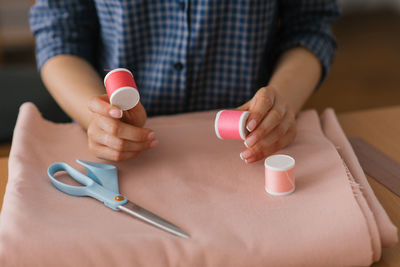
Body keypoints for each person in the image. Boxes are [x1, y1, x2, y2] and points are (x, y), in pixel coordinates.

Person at [29, 1, 340, 163]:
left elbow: (310, 26)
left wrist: (282, 101)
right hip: (121, 160)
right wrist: (96, 118)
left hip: (248, 149)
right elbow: (59, 37)